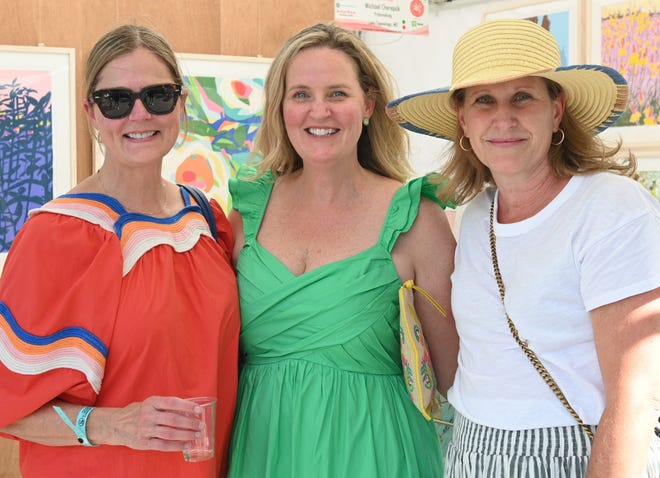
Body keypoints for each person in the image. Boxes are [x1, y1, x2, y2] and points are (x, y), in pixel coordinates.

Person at [388, 18, 660, 478]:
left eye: (522, 97)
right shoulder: (477, 215)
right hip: (471, 451)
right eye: (484, 101)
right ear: (463, 120)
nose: (504, 118)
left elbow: (635, 397)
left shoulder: (610, 207)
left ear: (556, 109)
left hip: (577, 455)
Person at [0, 24, 240, 477]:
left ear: (181, 103)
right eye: (116, 100)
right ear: (91, 112)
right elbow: (6, 405)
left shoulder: (206, 221)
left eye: (158, 96)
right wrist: (110, 424)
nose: (139, 114)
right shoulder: (58, 236)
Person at [226, 22, 458, 477]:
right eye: (301, 95)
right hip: (263, 447)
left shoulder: (415, 217)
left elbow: (454, 374)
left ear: (368, 105)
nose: (320, 111)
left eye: (337, 94)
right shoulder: (246, 213)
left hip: (377, 450)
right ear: (280, 108)